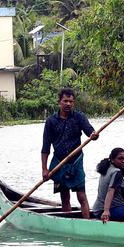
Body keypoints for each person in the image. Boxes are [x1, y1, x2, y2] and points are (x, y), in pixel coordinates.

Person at [40, 88, 100, 218]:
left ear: (74, 103)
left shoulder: (79, 117)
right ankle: (67, 222)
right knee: (64, 197)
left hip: (76, 161)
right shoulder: (51, 121)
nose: (68, 104)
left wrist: (93, 135)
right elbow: (45, 147)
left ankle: (86, 223)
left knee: (81, 196)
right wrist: (44, 169)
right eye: (65, 101)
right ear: (59, 102)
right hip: (59, 162)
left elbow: (89, 130)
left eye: (71, 101)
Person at [92, 148, 124, 223]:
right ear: (112, 160)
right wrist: (106, 211)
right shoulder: (117, 172)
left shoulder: (107, 168)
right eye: (120, 159)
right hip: (108, 210)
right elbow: (110, 190)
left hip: (97, 209)